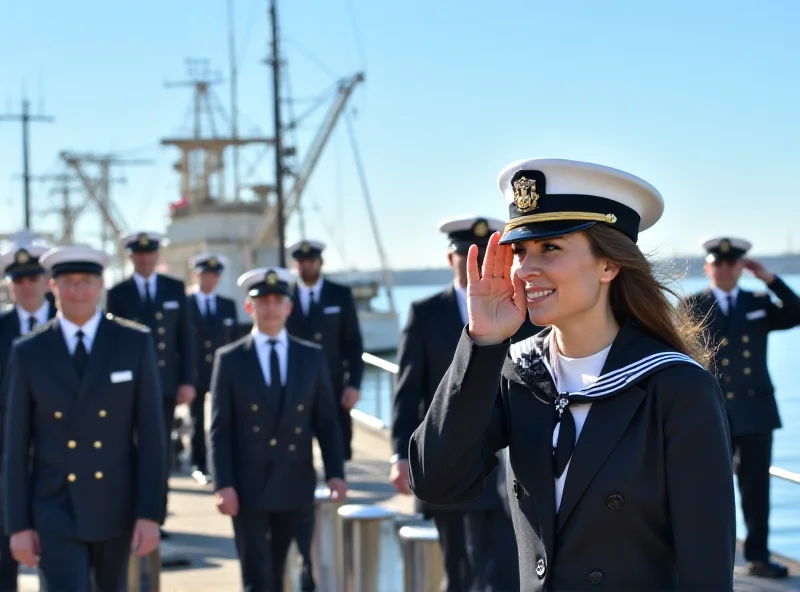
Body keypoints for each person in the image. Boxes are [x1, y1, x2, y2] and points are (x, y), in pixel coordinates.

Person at [408, 158, 736, 591]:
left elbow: (707, 572)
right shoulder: (520, 373)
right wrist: (483, 343)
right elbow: (436, 481)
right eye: (522, 251)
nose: (525, 269)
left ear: (608, 265)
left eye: (551, 248)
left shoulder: (677, 387)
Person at [2, 244, 166, 591]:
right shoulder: (29, 351)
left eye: (87, 281)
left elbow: (152, 437)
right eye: (69, 282)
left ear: (101, 285)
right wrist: (17, 525)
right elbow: (17, 445)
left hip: (115, 505)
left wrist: (150, 513)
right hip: (54, 505)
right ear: (53, 287)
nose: (78, 291)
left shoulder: (133, 342)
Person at [391, 215, 530, 592]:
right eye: (467, 256)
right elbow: (408, 390)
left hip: (498, 465)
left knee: (500, 571)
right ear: (451, 259)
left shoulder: (519, 310)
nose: (477, 265)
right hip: (450, 453)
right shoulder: (425, 313)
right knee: (457, 571)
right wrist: (399, 455)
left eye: (487, 255)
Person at [209, 266, 347, 592]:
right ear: (249, 307)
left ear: (289, 307)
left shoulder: (310, 357)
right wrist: (223, 483)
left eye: (277, 301)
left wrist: (336, 472)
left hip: (296, 482)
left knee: (304, 573)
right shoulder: (229, 360)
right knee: (258, 577)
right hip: (248, 486)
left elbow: (326, 422)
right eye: (262, 301)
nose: (270, 308)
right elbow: (220, 429)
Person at [685, 237, 800, 579]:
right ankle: (703, 556)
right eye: (718, 263)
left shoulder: (758, 301)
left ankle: (759, 557)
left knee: (756, 490)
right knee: (705, 487)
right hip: (708, 410)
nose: (724, 269)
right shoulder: (693, 306)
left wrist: (769, 278)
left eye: (732, 263)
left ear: (742, 267)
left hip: (755, 410)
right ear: (707, 267)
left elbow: (795, 312)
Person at [105, 230, 196, 538]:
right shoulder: (119, 293)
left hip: (166, 384)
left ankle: (156, 514)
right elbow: (113, 344)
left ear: (157, 256)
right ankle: (131, 512)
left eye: (149, 254)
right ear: (131, 257)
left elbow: (186, 338)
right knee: (128, 447)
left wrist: (188, 380)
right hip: (128, 387)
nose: (144, 259)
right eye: (138, 254)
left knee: (160, 449)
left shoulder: (175, 289)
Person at [0, 238, 57, 592]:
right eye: (18, 280)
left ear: (46, 280)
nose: (26, 287)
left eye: (32, 279)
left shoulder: (70, 323)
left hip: (59, 459)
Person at [285, 239, 364, 462]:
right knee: (295, 451)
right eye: (301, 261)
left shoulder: (340, 294)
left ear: (321, 262)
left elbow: (353, 343)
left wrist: (354, 385)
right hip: (294, 384)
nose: (306, 266)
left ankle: (339, 488)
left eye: (311, 260)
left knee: (338, 449)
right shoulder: (283, 297)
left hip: (333, 384)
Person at [186, 252, 239, 484]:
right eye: (205, 275)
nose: (210, 280)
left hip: (222, 373)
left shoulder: (227, 306)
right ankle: (199, 463)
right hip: (195, 371)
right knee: (197, 420)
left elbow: (235, 341)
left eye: (214, 275)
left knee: (224, 418)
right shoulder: (184, 304)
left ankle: (224, 463)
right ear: (197, 276)